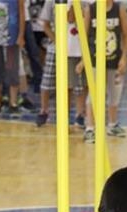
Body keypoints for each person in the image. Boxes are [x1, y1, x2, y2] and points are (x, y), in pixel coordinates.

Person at [80, 0, 127, 143]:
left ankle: (112, 125)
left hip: (114, 58)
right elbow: (83, 36)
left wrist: (124, 58)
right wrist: (84, 59)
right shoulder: (91, 9)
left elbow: (126, 35)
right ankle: (90, 128)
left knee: (115, 92)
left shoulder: (119, 9)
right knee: (94, 93)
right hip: (95, 59)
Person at [34, 0, 84, 128]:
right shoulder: (51, 2)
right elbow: (45, 24)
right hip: (56, 47)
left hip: (75, 47)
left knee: (76, 84)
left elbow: (73, 19)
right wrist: (56, 40)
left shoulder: (82, 2)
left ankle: (79, 114)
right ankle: (44, 111)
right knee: (47, 81)